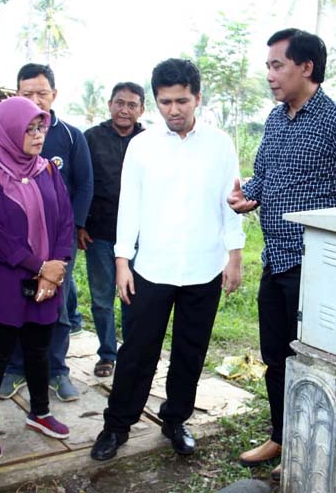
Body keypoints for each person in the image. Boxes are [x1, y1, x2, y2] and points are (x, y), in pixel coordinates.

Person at [227, 28, 336, 480]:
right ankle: (281, 435)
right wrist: (248, 195)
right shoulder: (275, 120)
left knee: (314, 357)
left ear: (306, 67)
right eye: (269, 66)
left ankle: (315, 439)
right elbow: (265, 177)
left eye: (278, 65)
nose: (270, 75)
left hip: (316, 264)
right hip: (275, 257)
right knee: (275, 354)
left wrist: (327, 223)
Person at [91, 58, 245, 461]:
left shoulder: (220, 144)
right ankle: (117, 425)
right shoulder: (142, 146)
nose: (173, 110)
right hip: (152, 269)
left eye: (181, 101)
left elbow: (230, 203)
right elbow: (130, 206)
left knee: (190, 351)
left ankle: (176, 419)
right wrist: (123, 260)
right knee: (138, 351)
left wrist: (235, 255)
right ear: (155, 102)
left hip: (204, 267)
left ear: (197, 98)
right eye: (164, 102)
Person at [0, 97, 74, 460]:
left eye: (40, 127)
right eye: (29, 128)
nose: (38, 135)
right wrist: (39, 267)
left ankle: (40, 412)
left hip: (46, 277)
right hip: (3, 281)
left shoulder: (48, 170)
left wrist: (55, 267)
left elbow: (64, 220)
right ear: (8, 131)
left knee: (39, 349)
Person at [12, 63, 93, 402]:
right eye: (27, 93)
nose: (34, 100)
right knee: (15, 302)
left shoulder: (71, 136)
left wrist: (72, 229)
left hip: (59, 243)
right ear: (16, 95)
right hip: (18, 243)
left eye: (41, 93)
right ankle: (16, 368)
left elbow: (85, 184)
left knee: (56, 305)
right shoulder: (7, 133)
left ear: (54, 95)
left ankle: (57, 371)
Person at [81, 82, 145, 378]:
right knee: (102, 297)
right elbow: (80, 183)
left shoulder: (149, 141)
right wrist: (79, 223)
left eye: (132, 105)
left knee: (135, 296)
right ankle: (107, 354)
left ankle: (133, 353)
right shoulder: (90, 139)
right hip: (100, 233)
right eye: (120, 103)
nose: (125, 109)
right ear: (109, 104)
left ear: (141, 110)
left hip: (140, 237)